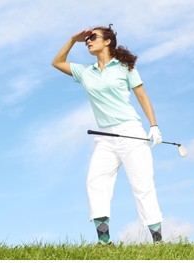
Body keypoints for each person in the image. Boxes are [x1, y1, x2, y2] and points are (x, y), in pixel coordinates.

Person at [52, 24, 163, 244]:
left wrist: (154, 126)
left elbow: (142, 96)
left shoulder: (124, 67)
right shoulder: (85, 72)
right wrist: (73, 39)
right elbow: (57, 62)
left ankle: (158, 242)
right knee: (96, 182)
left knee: (142, 185)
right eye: (87, 39)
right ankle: (104, 241)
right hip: (105, 136)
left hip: (130, 131)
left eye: (93, 37)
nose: (89, 41)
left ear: (107, 41)